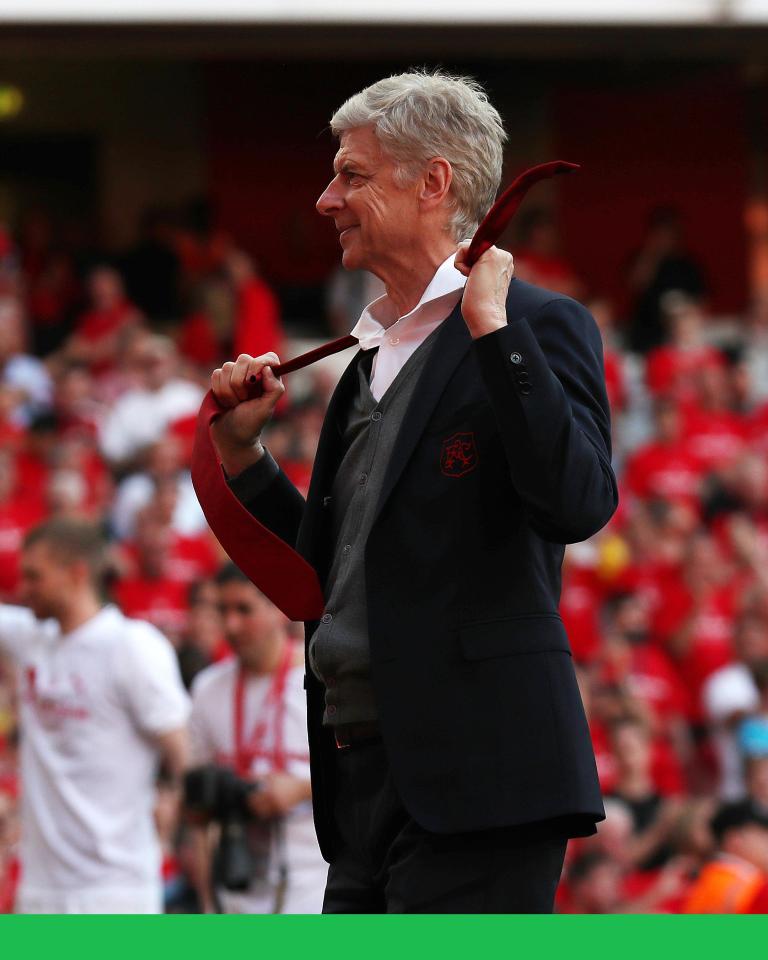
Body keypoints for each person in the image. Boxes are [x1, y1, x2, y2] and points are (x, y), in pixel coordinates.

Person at [207, 70, 618, 913]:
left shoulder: (539, 325)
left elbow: (577, 502)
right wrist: (245, 460)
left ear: (432, 182)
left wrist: (495, 331)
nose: (326, 199)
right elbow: (325, 578)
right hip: (359, 777)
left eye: (351, 175)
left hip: (482, 780)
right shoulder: (364, 362)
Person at [0, 518, 190, 913]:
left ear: (76, 573)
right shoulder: (29, 639)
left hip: (115, 891)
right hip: (38, 893)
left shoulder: (131, 646)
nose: (23, 588)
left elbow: (185, 753)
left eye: (35, 576)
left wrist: (172, 809)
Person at [186, 563, 326, 913]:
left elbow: (361, 779)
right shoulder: (208, 689)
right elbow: (195, 812)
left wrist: (298, 789)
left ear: (278, 608)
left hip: (314, 886)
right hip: (236, 890)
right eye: (223, 610)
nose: (231, 625)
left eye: (244, 610)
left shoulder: (318, 683)